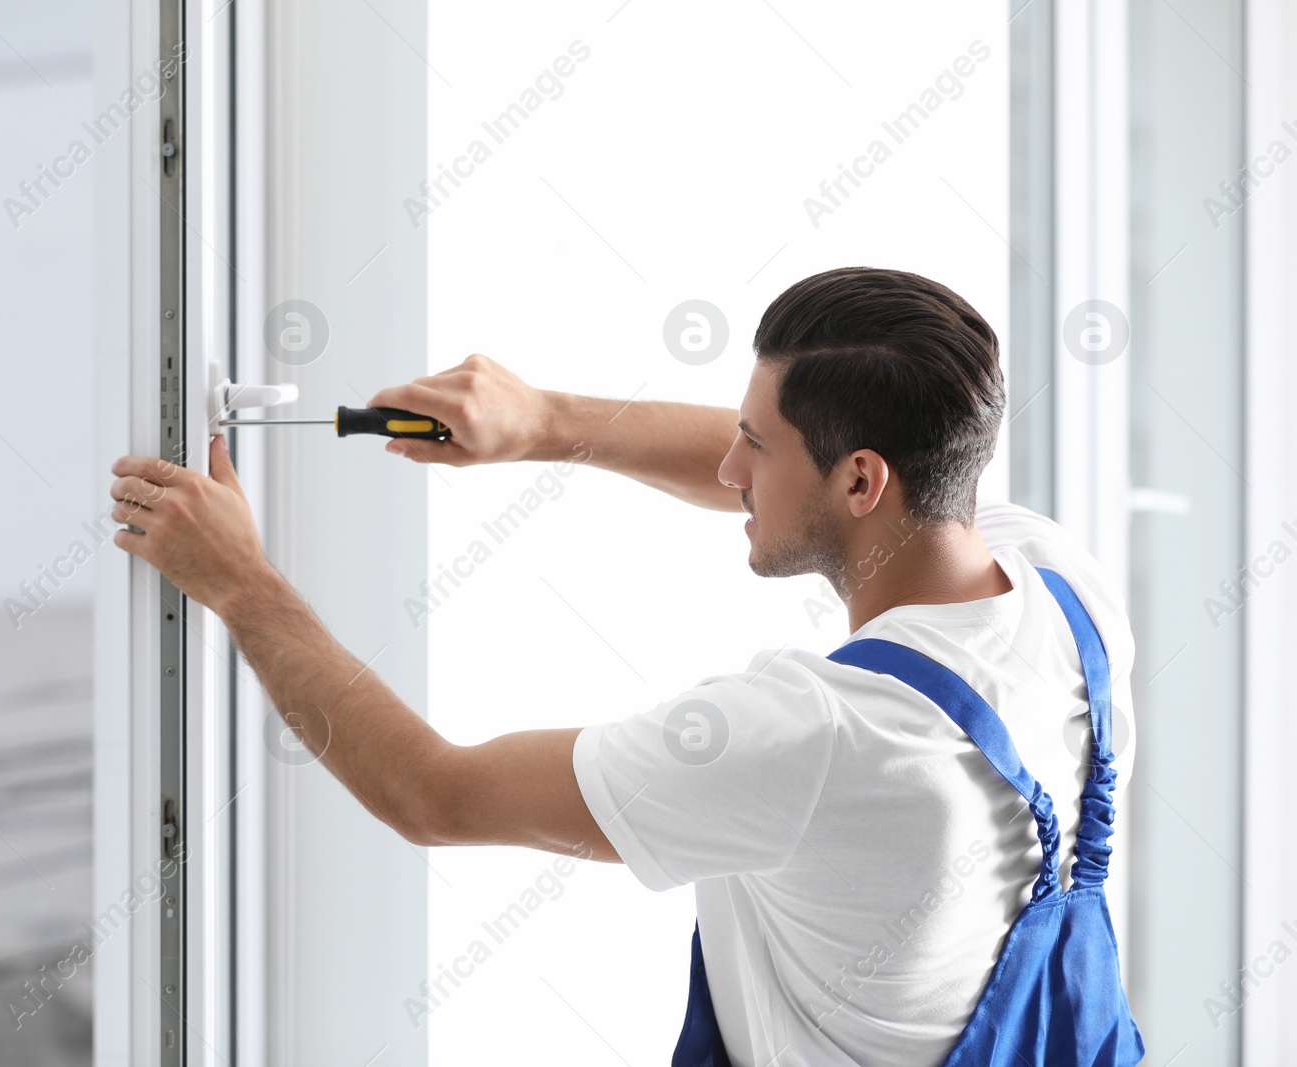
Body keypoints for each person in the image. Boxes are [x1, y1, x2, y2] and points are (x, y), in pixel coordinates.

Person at [109, 266, 1143, 1066]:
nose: (729, 468)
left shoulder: (820, 735)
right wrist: (542, 424)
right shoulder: (1056, 585)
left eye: (755, 443)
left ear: (866, 479)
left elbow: (432, 792)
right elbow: (801, 474)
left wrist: (239, 581)